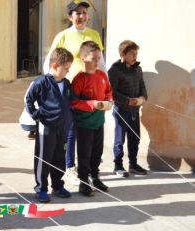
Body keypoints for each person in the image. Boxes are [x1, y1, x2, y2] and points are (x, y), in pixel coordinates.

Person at [43, 0, 106, 185]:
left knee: (91, 131)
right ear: (70, 17)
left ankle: (90, 169)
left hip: (92, 88)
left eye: (84, 12)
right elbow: (49, 62)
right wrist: (51, 85)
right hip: (70, 88)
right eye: (77, 13)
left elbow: (101, 62)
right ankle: (70, 167)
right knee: (71, 129)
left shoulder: (94, 34)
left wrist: (105, 85)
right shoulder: (63, 35)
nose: (82, 16)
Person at [26, 47, 73, 203]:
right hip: (46, 128)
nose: (68, 71)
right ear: (54, 66)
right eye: (66, 68)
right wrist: (36, 114)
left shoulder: (66, 83)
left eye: (69, 68)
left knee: (59, 157)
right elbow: (28, 99)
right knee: (44, 158)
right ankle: (41, 188)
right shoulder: (41, 82)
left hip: (63, 127)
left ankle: (58, 185)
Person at [70, 41, 113, 197]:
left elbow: (108, 92)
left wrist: (109, 101)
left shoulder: (102, 75)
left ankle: (95, 177)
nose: (97, 62)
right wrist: (93, 104)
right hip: (84, 125)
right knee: (84, 154)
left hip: (98, 122)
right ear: (83, 58)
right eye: (94, 58)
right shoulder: (79, 79)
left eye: (99, 58)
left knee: (97, 152)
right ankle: (83, 181)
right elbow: (73, 102)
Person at [108, 40, 148, 177]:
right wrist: (128, 101)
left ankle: (133, 164)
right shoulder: (114, 70)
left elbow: (143, 87)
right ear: (123, 54)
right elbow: (111, 92)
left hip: (135, 111)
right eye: (132, 54)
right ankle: (118, 165)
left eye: (136, 53)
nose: (135, 57)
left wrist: (142, 98)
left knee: (135, 138)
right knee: (120, 139)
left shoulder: (138, 69)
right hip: (121, 110)